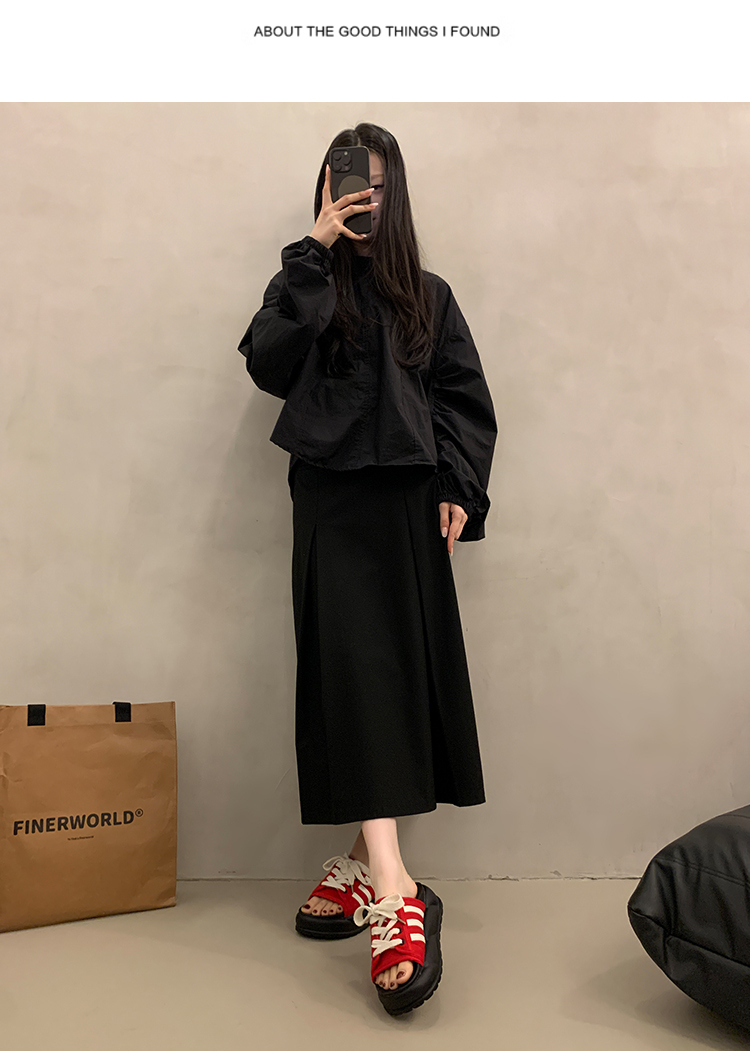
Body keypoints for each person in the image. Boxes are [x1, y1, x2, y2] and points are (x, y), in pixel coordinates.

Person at [237, 124, 497, 1016]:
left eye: (378, 184)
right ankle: (395, 886)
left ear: (397, 195)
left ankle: (364, 862)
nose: (362, 196)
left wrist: (460, 486)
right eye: (347, 181)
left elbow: (462, 397)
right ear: (325, 189)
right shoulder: (303, 282)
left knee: (397, 682)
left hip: (412, 509)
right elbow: (268, 364)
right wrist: (311, 252)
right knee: (353, 678)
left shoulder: (429, 295)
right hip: (333, 506)